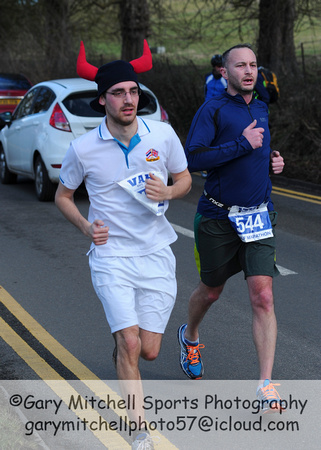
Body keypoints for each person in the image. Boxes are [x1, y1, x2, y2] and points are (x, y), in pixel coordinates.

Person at [55, 39, 192, 448]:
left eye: (133, 91)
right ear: (103, 101)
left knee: (148, 350)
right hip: (111, 255)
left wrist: (168, 193)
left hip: (155, 254)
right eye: (118, 93)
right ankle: (138, 430)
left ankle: (124, 346)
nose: (128, 99)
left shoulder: (162, 135)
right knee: (130, 342)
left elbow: (184, 179)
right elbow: (63, 196)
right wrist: (85, 227)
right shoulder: (83, 148)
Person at [178, 43, 285, 413]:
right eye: (240, 65)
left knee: (263, 296)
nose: (249, 71)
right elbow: (193, 158)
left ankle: (265, 383)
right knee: (210, 292)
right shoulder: (212, 109)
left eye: (254, 64)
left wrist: (272, 158)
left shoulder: (261, 106)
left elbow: (257, 148)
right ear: (225, 72)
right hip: (219, 217)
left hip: (258, 217)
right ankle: (190, 336)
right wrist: (243, 143)